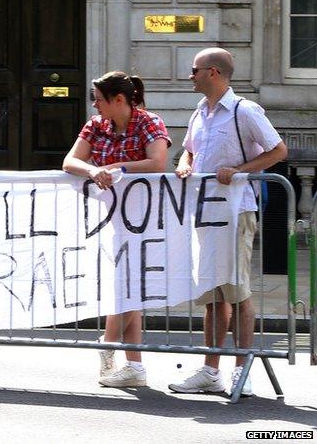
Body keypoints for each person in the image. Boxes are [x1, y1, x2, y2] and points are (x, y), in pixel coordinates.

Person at [168, 48, 287, 397]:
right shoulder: (200, 112)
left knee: (236, 290)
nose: (190, 76)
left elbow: (278, 151)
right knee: (212, 291)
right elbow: (189, 149)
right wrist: (184, 163)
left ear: (214, 73)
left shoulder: (244, 110)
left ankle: (241, 369)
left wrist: (239, 171)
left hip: (236, 211)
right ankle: (210, 368)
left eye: (194, 70)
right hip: (204, 210)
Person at [62, 72, 170, 388]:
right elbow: (70, 161)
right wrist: (93, 169)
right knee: (125, 287)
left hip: (145, 217)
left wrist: (114, 169)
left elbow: (157, 161)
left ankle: (108, 346)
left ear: (118, 100)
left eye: (98, 98)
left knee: (129, 286)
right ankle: (132, 363)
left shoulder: (148, 122)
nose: (94, 104)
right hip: (109, 217)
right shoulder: (96, 126)